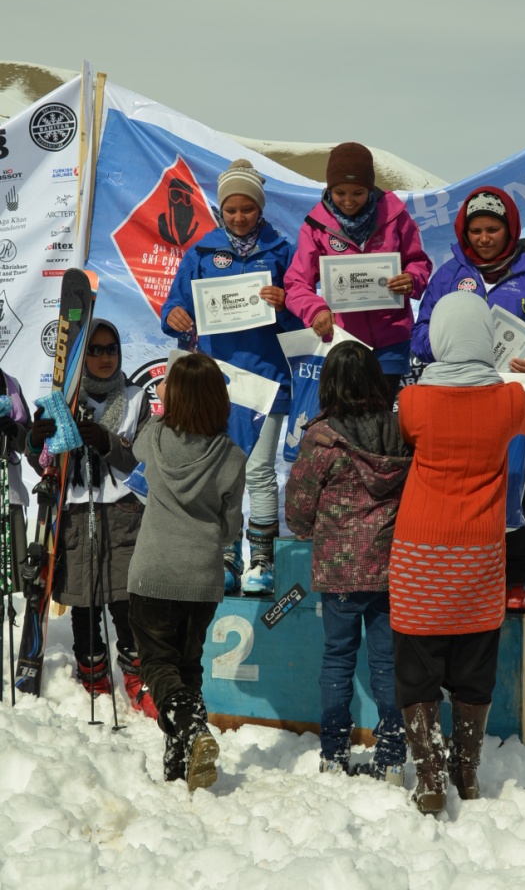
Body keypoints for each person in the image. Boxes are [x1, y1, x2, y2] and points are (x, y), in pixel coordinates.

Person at [391, 292, 525, 813]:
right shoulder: (508, 401)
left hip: (418, 554)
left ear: (441, 338)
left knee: (416, 667)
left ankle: (429, 777)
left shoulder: (414, 401)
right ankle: (466, 773)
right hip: (479, 555)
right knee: (474, 664)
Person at [411, 186, 525, 610]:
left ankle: (520, 579)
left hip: (512, 399)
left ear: (510, 228)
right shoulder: (449, 275)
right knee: (464, 490)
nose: (483, 238)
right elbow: (421, 331)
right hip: (457, 397)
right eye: (476, 230)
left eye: (492, 230)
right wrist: (450, 347)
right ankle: (466, 578)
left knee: (520, 486)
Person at [161, 158, 301, 596]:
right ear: (220, 210)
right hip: (216, 381)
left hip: (268, 379)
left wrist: (286, 305)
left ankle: (261, 559)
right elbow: (175, 305)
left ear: (261, 209)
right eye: (231, 209)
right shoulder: (202, 252)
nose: (239, 217)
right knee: (223, 472)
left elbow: (302, 314)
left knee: (258, 470)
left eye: (248, 209)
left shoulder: (283, 251)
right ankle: (226, 555)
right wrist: (173, 314)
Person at [285, 342, 410, 784]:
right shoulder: (401, 431)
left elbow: (298, 507)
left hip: (339, 571)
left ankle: (334, 754)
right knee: (388, 661)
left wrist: (306, 527)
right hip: (390, 566)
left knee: (337, 658)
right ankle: (393, 757)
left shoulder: (322, 438)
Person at [127, 352, 246, 791]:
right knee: (187, 667)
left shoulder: (154, 437)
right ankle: (179, 765)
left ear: (172, 396)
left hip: (152, 573)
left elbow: (133, 453)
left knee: (158, 666)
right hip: (202, 579)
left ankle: (194, 730)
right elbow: (230, 529)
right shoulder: (232, 456)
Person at [26, 319, 156, 716]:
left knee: (126, 602)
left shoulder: (136, 398)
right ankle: (92, 674)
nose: (104, 357)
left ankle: (137, 678)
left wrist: (108, 443)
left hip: (123, 513)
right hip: (75, 513)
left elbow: (145, 459)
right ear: (82, 357)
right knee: (85, 603)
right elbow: (42, 463)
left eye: (110, 349)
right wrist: (35, 440)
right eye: (95, 350)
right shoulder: (61, 401)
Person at [284, 142, 432, 406]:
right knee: (347, 418)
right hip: (343, 343)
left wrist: (411, 279)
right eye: (340, 192)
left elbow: (418, 262)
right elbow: (296, 283)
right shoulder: (315, 227)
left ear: (371, 189)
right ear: (329, 188)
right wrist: (315, 310)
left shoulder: (395, 216)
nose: (348, 201)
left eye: (358, 193)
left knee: (380, 414)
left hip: (391, 339)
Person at [0, 369, 31, 594]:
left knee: (9, 583)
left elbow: (29, 442)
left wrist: (14, 430)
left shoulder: (11, 383)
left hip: (9, 494)